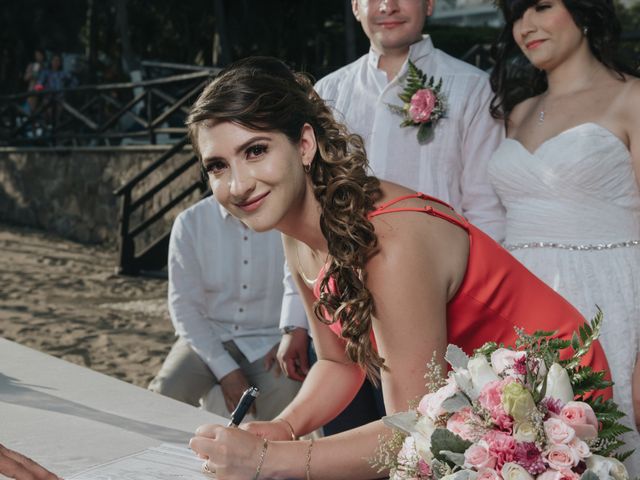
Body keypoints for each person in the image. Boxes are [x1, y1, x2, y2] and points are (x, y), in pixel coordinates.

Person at [186, 56, 612, 479]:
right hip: (465, 395)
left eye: (255, 151)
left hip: (553, 386)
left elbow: (412, 429)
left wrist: (265, 459)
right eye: (218, 166)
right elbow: (339, 364)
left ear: (304, 145)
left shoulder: (388, 242)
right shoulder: (295, 231)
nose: (237, 186)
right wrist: (283, 427)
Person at [276, 0, 506, 431]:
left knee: (428, 445)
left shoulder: (473, 89)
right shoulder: (327, 93)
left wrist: (472, 315)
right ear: (355, 7)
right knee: (345, 447)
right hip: (343, 310)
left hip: (435, 312)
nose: (388, 6)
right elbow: (300, 208)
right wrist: (295, 320)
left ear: (430, 3)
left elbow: (485, 211)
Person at [487, 0, 640, 474]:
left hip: (608, 301)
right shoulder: (517, 112)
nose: (525, 26)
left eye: (541, 6)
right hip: (522, 307)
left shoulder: (631, 98)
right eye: (516, 15)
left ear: (584, 10)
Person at [148, 196, 301, 421]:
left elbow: (303, 286)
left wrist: (291, 332)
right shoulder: (191, 222)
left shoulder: (288, 218)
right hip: (208, 336)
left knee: (287, 390)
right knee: (165, 393)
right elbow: (184, 306)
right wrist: (226, 371)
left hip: (270, 341)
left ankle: (261, 452)